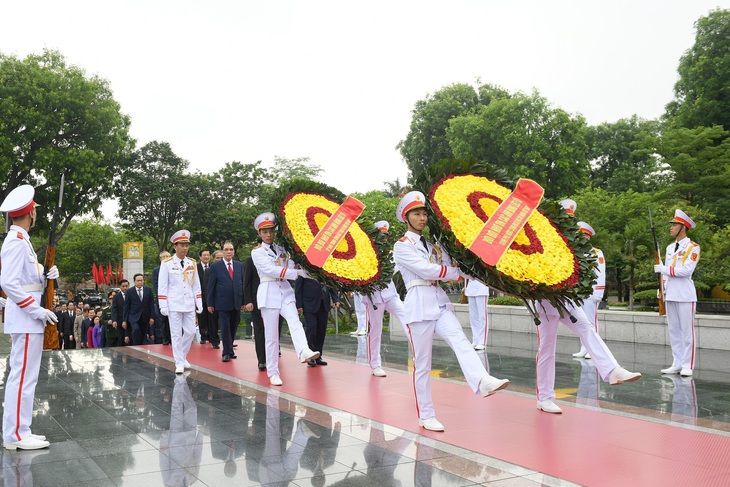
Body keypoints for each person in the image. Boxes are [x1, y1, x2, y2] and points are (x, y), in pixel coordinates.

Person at [392, 191, 510, 431]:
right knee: (423, 365)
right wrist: (455, 273)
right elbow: (428, 271)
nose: (422, 218)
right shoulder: (401, 246)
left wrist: (477, 272)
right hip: (418, 306)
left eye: (424, 213)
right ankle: (426, 415)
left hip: (439, 302)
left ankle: (482, 380)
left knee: (460, 340)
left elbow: (451, 265)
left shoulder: (434, 245)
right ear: (406, 217)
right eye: (416, 214)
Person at [533, 204, 641, 415]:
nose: (570, 224)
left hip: (567, 299)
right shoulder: (543, 237)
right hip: (546, 301)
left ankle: (612, 370)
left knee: (586, 328)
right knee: (547, 348)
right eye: (566, 219)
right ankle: (544, 397)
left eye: (571, 220)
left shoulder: (574, 243)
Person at [1, 184, 56, 450]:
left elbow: (27, 280)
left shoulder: (22, 240)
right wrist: (37, 310)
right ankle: (14, 435)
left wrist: (46, 274)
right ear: (30, 213)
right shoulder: (16, 241)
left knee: (26, 378)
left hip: (29, 319)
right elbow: (9, 284)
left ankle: (22, 430)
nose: (36, 214)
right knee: (21, 378)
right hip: (26, 319)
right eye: (35, 210)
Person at [250, 212, 319, 386]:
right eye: (265, 232)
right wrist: (297, 273)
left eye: (271, 231)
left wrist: (302, 266)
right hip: (269, 292)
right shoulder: (257, 252)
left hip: (285, 291)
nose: (268, 234)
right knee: (272, 336)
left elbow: (289, 264)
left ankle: (303, 350)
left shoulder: (282, 249)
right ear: (259, 234)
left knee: (295, 321)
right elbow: (270, 270)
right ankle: (273, 372)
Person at [359, 220, 408, 377]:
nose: (384, 238)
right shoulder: (366, 254)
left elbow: (397, 268)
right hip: (374, 297)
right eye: (382, 235)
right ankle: (375, 364)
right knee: (376, 330)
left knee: (406, 317)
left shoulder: (390, 253)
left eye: (386, 236)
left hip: (390, 293)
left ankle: (418, 350)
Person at [655, 209, 701, 377]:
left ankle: (687, 365)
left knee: (687, 332)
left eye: (674, 225)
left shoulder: (693, 248)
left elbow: (686, 271)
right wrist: (662, 289)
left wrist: (664, 269)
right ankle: (677, 362)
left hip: (685, 295)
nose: (671, 228)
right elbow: (666, 276)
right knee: (673, 331)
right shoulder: (668, 248)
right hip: (671, 294)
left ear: (683, 227)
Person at [158, 230, 203, 374]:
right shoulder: (167, 264)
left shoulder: (192, 263)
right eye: (182, 245)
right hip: (174, 303)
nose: (185, 248)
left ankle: (182, 356)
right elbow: (162, 286)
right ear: (175, 246)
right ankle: (179, 362)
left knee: (190, 332)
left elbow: (196, 285)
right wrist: (163, 305)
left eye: (187, 245)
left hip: (189, 303)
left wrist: (199, 302)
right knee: (176, 334)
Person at [244, 238, 281, 371]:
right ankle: (262, 360)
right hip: (257, 301)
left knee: (275, 329)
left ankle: (274, 355)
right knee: (259, 330)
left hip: (274, 298)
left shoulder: (276, 259)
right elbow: (247, 282)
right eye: (261, 245)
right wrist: (248, 301)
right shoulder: (251, 260)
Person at [572, 221, 606, 359]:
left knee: (591, 322)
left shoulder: (596, 253)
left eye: (583, 236)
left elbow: (601, 273)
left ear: (588, 237)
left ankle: (593, 349)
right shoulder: (576, 252)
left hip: (592, 291)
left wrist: (599, 292)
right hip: (579, 292)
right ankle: (584, 347)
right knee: (581, 321)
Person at [207, 241, 244, 363]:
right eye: (226, 249)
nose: (229, 252)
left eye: (231, 249)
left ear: (234, 252)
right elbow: (211, 286)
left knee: (234, 326)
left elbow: (241, 284)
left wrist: (243, 301)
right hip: (222, 302)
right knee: (225, 327)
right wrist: (210, 303)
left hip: (236, 302)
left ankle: (230, 349)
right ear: (222, 251)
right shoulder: (215, 267)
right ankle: (226, 352)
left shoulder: (239, 265)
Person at [295, 276, 339, 367]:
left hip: (323, 304)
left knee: (321, 330)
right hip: (309, 303)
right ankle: (310, 355)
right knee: (311, 328)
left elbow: (331, 283)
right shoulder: (304, 267)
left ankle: (318, 355)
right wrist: (299, 305)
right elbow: (298, 287)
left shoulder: (325, 267)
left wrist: (335, 298)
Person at [123, 274, 156, 345]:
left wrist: (152, 317)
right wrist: (124, 320)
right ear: (134, 282)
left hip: (145, 316)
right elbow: (126, 306)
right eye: (138, 281)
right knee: (135, 330)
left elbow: (151, 305)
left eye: (141, 280)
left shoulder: (148, 290)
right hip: (133, 317)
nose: (140, 282)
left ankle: (143, 348)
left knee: (144, 334)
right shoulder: (129, 291)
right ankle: (136, 345)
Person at [465, 279, 490, 351]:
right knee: (473, 317)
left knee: (482, 316)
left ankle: (482, 342)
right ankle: (475, 340)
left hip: (481, 287)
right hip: (471, 288)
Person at [152, 251, 172, 345]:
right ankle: (165, 338)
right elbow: (155, 284)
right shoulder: (156, 270)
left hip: (173, 298)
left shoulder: (174, 268)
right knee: (163, 320)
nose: (165, 258)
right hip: (162, 299)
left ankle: (174, 339)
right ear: (160, 259)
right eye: (163, 257)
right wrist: (162, 295)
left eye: (167, 256)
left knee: (173, 320)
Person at [196, 249, 212, 344]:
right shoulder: (196, 268)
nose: (206, 257)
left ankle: (211, 336)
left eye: (208, 255)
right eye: (204, 255)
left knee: (212, 318)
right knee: (202, 318)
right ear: (200, 257)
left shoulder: (213, 267)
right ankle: (203, 336)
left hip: (211, 297)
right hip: (200, 297)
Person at [110, 279, 128, 346]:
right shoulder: (116, 297)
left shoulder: (132, 294)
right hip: (120, 321)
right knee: (121, 340)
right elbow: (114, 309)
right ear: (120, 286)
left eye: (126, 286)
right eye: (123, 286)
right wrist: (114, 320)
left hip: (130, 320)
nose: (125, 288)